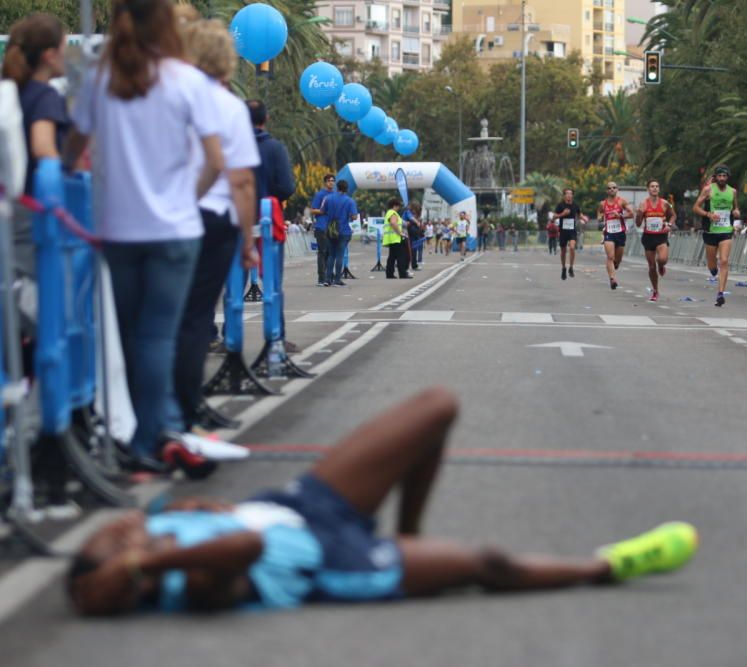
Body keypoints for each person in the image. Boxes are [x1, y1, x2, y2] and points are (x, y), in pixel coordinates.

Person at [66, 388, 698, 616]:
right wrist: (144, 560)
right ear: (123, 578)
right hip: (337, 557)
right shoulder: (187, 585)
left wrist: (169, 525)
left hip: (305, 501)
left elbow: (240, 524)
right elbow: (249, 547)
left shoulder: (160, 543)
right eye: (112, 544)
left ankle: (409, 535)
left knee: (438, 406)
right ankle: (607, 564)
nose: (121, 529)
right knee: (488, 565)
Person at [62, 0, 224, 465]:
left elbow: (76, 147)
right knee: (158, 338)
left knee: (130, 337)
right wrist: (187, 199)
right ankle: (151, 438)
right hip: (175, 229)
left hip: (119, 228)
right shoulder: (186, 81)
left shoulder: (99, 78)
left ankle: (135, 432)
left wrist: (66, 174)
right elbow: (215, 161)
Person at [171, 17, 259, 436]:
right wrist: (248, 240)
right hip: (213, 218)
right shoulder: (228, 107)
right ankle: (186, 409)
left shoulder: (167, 96)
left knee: (160, 318)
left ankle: (157, 409)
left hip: (166, 217)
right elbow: (240, 180)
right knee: (195, 317)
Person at [3, 12, 69, 280]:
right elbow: (42, 146)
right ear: (49, 55)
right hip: (35, 209)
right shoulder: (46, 96)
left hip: (11, 205)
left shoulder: (10, 89)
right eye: (65, 49)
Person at [247, 99, 296, 348]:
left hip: (239, 222)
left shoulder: (232, 146)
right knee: (272, 284)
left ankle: (225, 337)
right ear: (265, 119)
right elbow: (287, 187)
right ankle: (276, 336)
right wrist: (272, 196)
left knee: (233, 284)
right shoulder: (275, 148)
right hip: (268, 221)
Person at [692, 166, 740, 307]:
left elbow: (736, 207)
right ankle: (712, 268)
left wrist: (736, 212)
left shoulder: (733, 192)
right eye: (719, 176)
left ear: (727, 177)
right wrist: (708, 215)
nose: (722, 178)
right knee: (712, 264)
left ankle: (720, 294)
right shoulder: (708, 190)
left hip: (726, 230)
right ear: (716, 177)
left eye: (724, 176)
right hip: (710, 231)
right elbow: (695, 207)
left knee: (724, 261)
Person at [635, 179, 676, 302]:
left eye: (657, 186)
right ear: (648, 189)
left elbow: (673, 215)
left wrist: (669, 224)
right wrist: (639, 214)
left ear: (659, 189)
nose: (655, 188)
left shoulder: (664, 203)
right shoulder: (643, 204)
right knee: (652, 266)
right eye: (652, 186)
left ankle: (662, 266)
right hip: (648, 237)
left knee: (662, 259)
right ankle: (655, 290)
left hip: (661, 236)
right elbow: (638, 224)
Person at [597, 181, 633, 290]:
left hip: (620, 233)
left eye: (614, 187)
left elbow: (631, 214)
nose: (612, 189)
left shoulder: (622, 201)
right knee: (610, 257)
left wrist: (621, 216)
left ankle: (615, 266)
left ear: (617, 189)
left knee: (617, 260)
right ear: (606, 191)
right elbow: (599, 212)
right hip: (609, 233)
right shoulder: (603, 204)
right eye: (609, 188)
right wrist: (600, 219)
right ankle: (612, 279)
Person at [321, 179, 358, 286]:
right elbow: (354, 216)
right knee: (340, 255)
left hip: (330, 230)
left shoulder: (328, 198)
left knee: (331, 255)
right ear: (347, 189)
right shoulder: (350, 201)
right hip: (343, 231)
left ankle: (328, 279)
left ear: (337, 187)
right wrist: (349, 216)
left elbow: (322, 211)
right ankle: (337, 279)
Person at [310, 175, 335, 286]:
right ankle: (321, 278)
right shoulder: (320, 195)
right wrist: (324, 211)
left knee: (331, 253)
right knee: (322, 252)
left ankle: (330, 277)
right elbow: (313, 210)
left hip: (332, 228)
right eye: (329, 181)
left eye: (333, 181)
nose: (331, 183)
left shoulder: (335, 195)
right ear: (325, 182)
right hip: (321, 227)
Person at [383, 198, 411, 279]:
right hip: (396, 238)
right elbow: (393, 223)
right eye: (398, 206)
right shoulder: (393, 213)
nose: (399, 208)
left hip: (391, 239)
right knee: (401, 257)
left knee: (391, 257)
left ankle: (389, 274)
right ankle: (402, 274)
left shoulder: (388, 213)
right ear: (395, 206)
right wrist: (400, 233)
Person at [405, 202, 424, 271]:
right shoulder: (408, 212)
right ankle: (407, 265)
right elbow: (411, 220)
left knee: (413, 250)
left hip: (414, 234)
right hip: (408, 233)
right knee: (409, 250)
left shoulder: (414, 214)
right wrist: (417, 222)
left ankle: (413, 265)